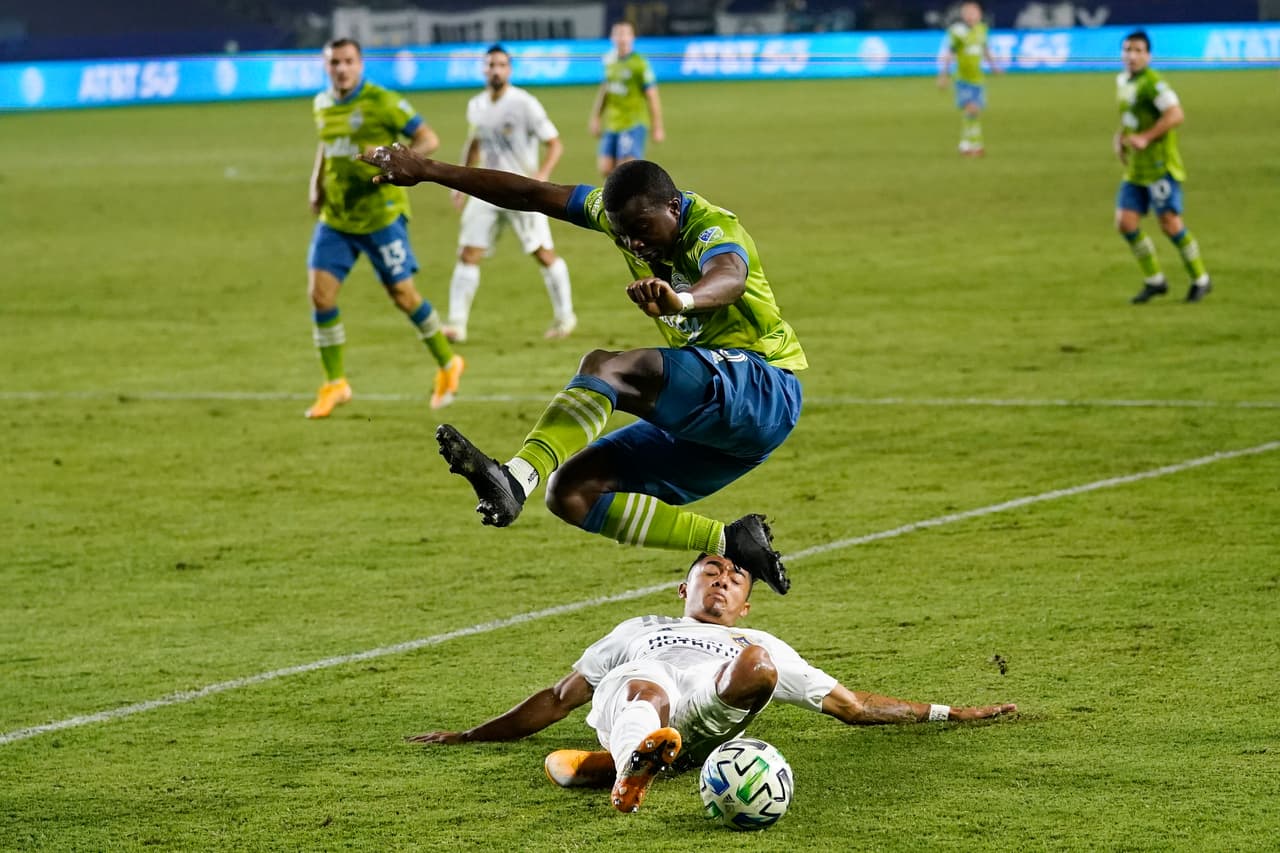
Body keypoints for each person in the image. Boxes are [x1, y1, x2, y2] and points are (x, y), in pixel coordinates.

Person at [358, 147, 805, 595]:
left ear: (673, 207)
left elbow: (729, 276)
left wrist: (682, 299)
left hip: (764, 388)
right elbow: (532, 193)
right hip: (721, 427)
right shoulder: (625, 216)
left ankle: (515, 479)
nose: (634, 244)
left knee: (608, 368)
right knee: (571, 492)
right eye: (623, 234)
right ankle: (731, 540)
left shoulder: (711, 228)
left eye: (643, 231)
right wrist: (430, 170)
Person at [408, 553, 1018, 814]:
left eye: (735, 579)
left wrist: (952, 714)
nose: (723, 581)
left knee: (759, 669)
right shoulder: (638, 628)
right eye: (711, 571)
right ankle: (630, 769)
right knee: (644, 689)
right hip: (639, 693)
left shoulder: (755, 640)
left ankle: (625, 763)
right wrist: (469, 735)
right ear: (685, 588)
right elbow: (559, 697)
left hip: (704, 709)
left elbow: (852, 706)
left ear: (745, 605)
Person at [304, 37, 464, 418]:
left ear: (360, 65)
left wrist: (404, 165)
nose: (340, 69)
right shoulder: (322, 103)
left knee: (403, 296)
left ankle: (448, 363)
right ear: (326, 67)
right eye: (334, 63)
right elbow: (326, 146)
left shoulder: (383, 101)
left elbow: (428, 136)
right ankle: (335, 383)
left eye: (347, 61)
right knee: (320, 296)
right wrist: (316, 183)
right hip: (338, 218)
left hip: (382, 216)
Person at [444, 45, 577, 344]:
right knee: (467, 253)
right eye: (491, 65)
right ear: (483, 69)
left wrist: (541, 177)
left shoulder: (525, 104)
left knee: (542, 254)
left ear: (510, 70)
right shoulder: (476, 105)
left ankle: (565, 316)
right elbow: (474, 144)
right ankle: (456, 324)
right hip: (484, 189)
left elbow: (554, 143)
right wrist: (459, 183)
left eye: (501, 65)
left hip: (521, 191)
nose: (495, 70)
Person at [1114, 30, 1213, 304]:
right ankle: (1155, 281)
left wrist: (1146, 137)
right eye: (1127, 50)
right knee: (1125, 223)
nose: (1131, 56)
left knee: (1169, 224)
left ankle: (1201, 279)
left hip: (1159, 167)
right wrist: (1120, 137)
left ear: (1148, 56)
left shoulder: (1154, 84)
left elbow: (1176, 114)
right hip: (1136, 168)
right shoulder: (1123, 81)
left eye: (1138, 51)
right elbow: (1130, 116)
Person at [589, 21, 665, 178]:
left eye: (625, 34)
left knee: (626, 169)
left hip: (633, 123)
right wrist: (596, 117)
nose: (621, 38)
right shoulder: (609, 61)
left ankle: (633, 200)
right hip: (613, 123)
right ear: (612, 37)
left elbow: (652, 96)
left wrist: (657, 126)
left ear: (632, 37)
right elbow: (605, 90)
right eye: (618, 34)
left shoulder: (639, 64)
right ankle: (620, 197)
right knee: (605, 168)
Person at [937, 1, 1002, 156]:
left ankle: (967, 144)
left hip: (977, 78)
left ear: (979, 14)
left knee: (975, 112)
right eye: (969, 13)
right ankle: (974, 144)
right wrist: (943, 75)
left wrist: (994, 67)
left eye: (975, 13)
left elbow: (986, 50)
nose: (972, 16)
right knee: (971, 108)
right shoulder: (957, 32)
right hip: (963, 78)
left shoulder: (982, 30)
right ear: (964, 16)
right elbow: (950, 54)